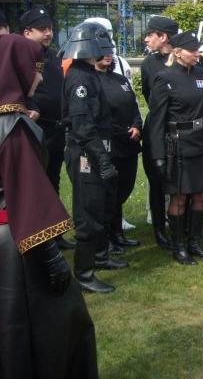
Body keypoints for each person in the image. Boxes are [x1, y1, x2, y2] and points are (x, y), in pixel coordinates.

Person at [0, 33, 98, 379]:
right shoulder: (13, 128)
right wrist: (53, 258)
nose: (40, 78)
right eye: (35, 69)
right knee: (54, 322)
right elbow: (28, 195)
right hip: (16, 243)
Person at [62, 22, 128, 293]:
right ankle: (84, 273)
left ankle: (100, 257)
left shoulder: (88, 73)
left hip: (97, 150)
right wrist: (101, 160)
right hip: (86, 154)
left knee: (102, 208)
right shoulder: (80, 78)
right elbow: (83, 127)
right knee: (88, 214)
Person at [147, 31, 203, 265]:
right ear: (177, 52)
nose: (198, 53)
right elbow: (156, 120)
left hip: (200, 143)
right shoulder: (164, 77)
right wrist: (157, 155)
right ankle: (179, 246)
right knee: (179, 198)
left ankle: (194, 242)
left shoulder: (200, 74)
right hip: (177, 146)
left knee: (200, 196)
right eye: (193, 50)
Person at [21, 7, 76, 251]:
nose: (48, 33)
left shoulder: (52, 56)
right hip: (33, 128)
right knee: (34, 184)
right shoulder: (20, 55)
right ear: (26, 32)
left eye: (51, 29)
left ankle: (54, 234)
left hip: (55, 129)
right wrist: (31, 107)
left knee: (53, 180)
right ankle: (35, 236)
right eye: (42, 29)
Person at [94, 52, 142, 251]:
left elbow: (134, 106)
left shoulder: (120, 79)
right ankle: (106, 237)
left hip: (129, 144)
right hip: (109, 143)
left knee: (124, 188)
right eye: (101, 51)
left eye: (109, 51)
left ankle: (118, 233)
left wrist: (137, 125)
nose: (107, 55)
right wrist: (123, 132)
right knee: (108, 192)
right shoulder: (91, 81)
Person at [141, 15, 179, 249]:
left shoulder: (185, 58)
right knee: (156, 181)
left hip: (180, 129)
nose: (146, 39)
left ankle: (181, 224)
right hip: (157, 129)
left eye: (150, 35)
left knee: (180, 180)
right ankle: (159, 229)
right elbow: (149, 96)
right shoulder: (149, 64)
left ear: (163, 37)